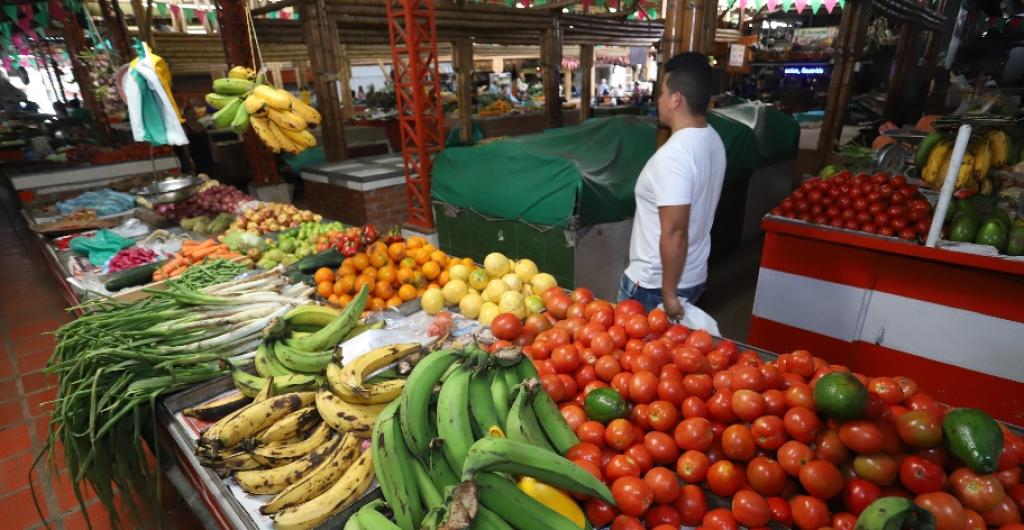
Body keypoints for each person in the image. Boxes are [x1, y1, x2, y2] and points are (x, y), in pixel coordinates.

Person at [619, 52, 726, 321]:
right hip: (693, 276)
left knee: (636, 361)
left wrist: (668, 295)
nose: (659, 100)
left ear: (677, 99)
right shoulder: (713, 140)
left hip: (654, 287)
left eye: (663, 93)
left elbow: (676, 230)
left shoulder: (675, 156)